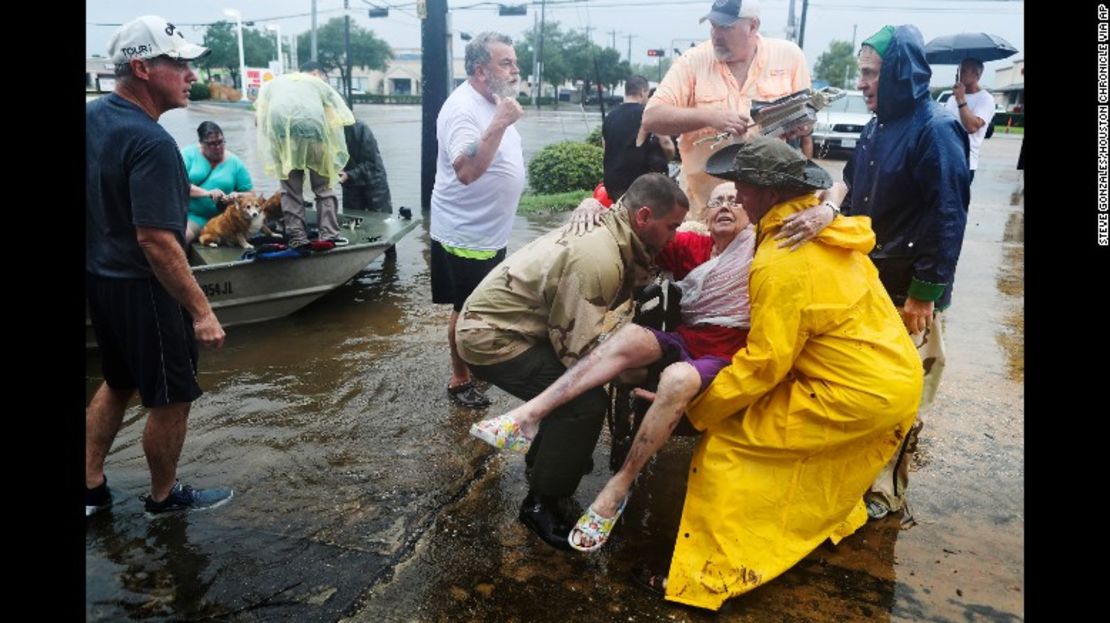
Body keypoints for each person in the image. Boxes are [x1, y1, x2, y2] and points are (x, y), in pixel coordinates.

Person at [630, 136, 922, 610]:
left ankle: (706, 579)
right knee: (803, 453)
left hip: (856, 392)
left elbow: (766, 364)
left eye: (743, 186)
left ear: (767, 194)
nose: (736, 195)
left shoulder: (781, 260)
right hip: (893, 376)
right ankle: (819, 525)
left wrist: (700, 406)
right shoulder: (829, 229)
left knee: (729, 447)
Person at [456, 173, 689, 550]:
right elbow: (580, 357)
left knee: (575, 397)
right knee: (582, 402)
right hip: (490, 338)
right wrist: (641, 372)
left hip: (520, 326)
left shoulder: (616, 230)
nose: (675, 236)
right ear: (643, 217)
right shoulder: (597, 255)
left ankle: (548, 458)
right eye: (672, 227)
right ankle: (541, 503)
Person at [86, 15, 231, 517]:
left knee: (118, 381)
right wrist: (201, 312)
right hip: (146, 289)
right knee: (171, 399)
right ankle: (164, 497)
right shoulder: (153, 142)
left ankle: (90, 485)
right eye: (180, 63)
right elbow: (157, 241)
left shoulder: (94, 117)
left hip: (102, 281)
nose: (191, 74)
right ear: (143, 68)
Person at [845, 25, 971, 519]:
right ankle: (857, 475)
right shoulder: (877, 126)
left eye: (871, 74)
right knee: (869, 388)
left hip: (909, 292)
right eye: (860, 74)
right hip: (871, 281)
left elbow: (948, 216)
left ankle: (885, 491)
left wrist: (925, 294)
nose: (862, 84)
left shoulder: (935, 128)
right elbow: (854, 190)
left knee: (902, 394)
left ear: (899, 74)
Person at [643, 0, 813, 219]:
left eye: (726, 27)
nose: (716, 34)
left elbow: (806, 118)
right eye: (713, 25)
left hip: (766, 209)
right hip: (705, 210)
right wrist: (709, 116)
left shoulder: (789, 57)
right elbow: (651, 117)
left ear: (753, 26)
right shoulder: (693, 61)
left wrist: (801, 127)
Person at [430, 32, 525, 409]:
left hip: (491, 231)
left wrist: (501, 117)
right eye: (507, 62)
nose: (515, 69)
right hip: (464, 232)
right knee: (466, 307)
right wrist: (501, 122)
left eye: (514, 61)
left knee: (482, 304)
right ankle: (459, 378)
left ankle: (475, 361)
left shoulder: (495, 100)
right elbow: (467, 171)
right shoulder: (462, 109)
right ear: (481, 71)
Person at [256, 60, 355, 251]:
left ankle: (297, 237)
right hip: (313, 131)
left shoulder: (275, 83)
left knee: (290, 190)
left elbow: (259, 119)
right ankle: (329, 234)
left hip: (283, 134)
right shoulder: (318, 83)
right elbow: (337, 117)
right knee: (323, 188)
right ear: (317, 73)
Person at [601, 75, 674, 201]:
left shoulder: (610, 117)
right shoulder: (648, 114)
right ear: (642, 92)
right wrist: (667, 159)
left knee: (623, 217)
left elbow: (605, 148)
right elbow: (667, 144)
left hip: (613, 184)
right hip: (641, 185)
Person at [182, 121, 254, 243]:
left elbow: (251, 194)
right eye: (212, 144)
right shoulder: (187, 155)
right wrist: (207, 193)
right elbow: (176, 185)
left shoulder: (235, 163)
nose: (218, 147)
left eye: (220, 142)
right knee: (183, 237)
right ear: (201, 143)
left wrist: (237, 195)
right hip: (193, 215)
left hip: (224, 219)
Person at [944, 57, 995, 183]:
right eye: (960, 70)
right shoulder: (952, 99)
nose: (959, 74)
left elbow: (971, 127)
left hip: (965, 162)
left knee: (956, 202)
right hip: (946, 159)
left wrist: (961, 100)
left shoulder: (985, 99)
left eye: (964, 71)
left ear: (977, 75)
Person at [338, 119, 393, 214]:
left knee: (380, 222)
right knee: (352, 222)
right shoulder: (332, 132)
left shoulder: (361, 128)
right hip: (351, 184)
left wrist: (349, 174)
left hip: (373, 184)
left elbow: (371, 163)